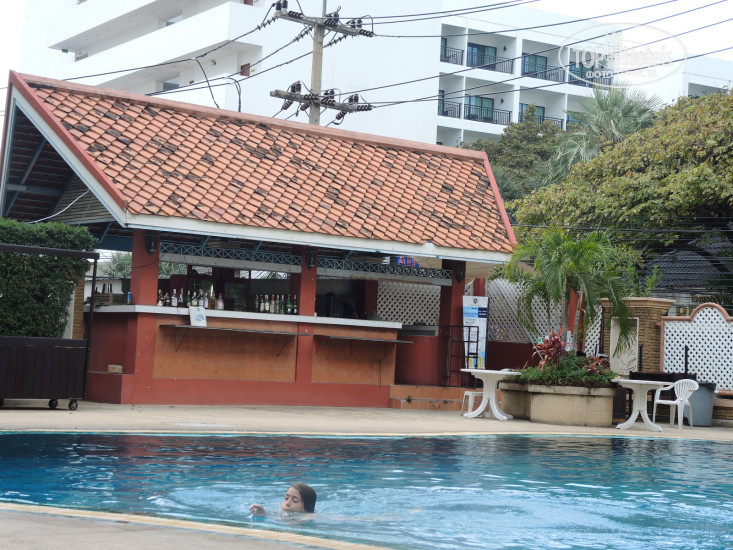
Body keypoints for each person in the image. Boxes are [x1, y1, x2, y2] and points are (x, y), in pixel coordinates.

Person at [250, 483, 317, 517]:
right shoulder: (279, 513)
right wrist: (263, 514)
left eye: (295, 501)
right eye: (286, 498)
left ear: (307, 508)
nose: (287, 503)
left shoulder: (310, 516)